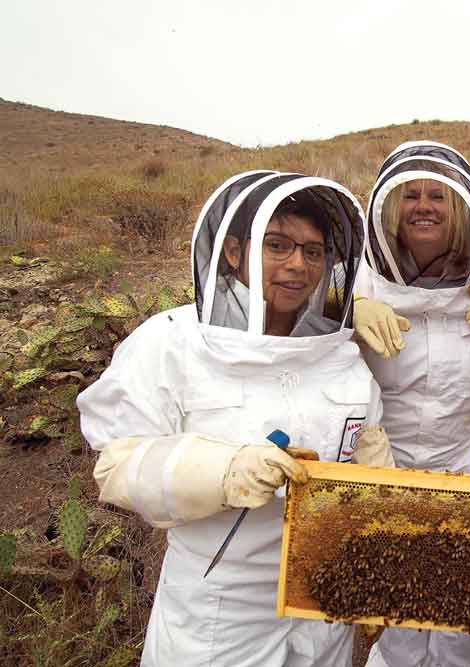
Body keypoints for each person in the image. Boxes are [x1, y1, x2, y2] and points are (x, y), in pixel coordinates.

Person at [77, 171, 392, 667]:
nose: (297, 265)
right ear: (232, 252)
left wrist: (376, 556)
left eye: (313, 252)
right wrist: (222, 470)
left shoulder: (341, 356)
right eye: (277, 245)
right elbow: (118, 465)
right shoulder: (171, 342)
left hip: (321, 611)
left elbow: (371, 471)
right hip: (218, 614)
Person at [353, 141, 470, 667]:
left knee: (466, 623)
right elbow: (292, 313)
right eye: (412, 195)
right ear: (388, 211)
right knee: (398, 621)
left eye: (438, 195)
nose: (424, 205)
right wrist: (345, 305)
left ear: (461, 210)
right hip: (379, 468)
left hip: (466, 468)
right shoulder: (360, 277)